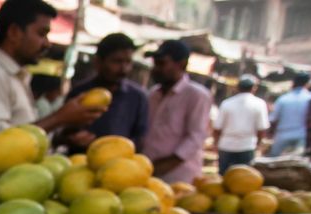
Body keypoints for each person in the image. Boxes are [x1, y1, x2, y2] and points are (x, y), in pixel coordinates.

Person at [0, 0, 103, 150]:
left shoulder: (15, 77)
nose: (47, 44)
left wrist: (60, 139)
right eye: (41, 34)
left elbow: (23, 136)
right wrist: (59, 118)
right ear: (14, 32)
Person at [62, 33, 150, 153]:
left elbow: (140, 138)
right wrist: (73, 138)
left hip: (119, 166)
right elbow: (63, 131)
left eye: (128, 62)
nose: (124, 69)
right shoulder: (79, 93)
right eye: (117, 62)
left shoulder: (138, 97)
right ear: (98, 62)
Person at [141, 40, 212, 185]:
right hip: (148, 173)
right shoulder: (153, 94)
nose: (156, 69)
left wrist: (168, 163)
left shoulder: (196, 95)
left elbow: (196, 137)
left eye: (162, 64)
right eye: (155, 64)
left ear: (181, 65)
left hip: (179, 178)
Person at [213, 76, 269, 174]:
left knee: (223, 178)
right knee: (244, 179)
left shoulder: (227, 103)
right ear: (254, 88)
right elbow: (261, 129)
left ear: (237, 88)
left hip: (226, 145)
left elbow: (217, 128)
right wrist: (258, 145)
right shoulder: (259, 104)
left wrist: (216, 144)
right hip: (247, 146)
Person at [269, 73, 311, 157]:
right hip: (301, 137)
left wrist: (271, 134)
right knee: (299, 166)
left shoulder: (283, 99)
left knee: (273, 164)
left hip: (282, 136)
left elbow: (273, 119)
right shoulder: (310, 98)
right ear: (307, 84)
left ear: (293, 83)